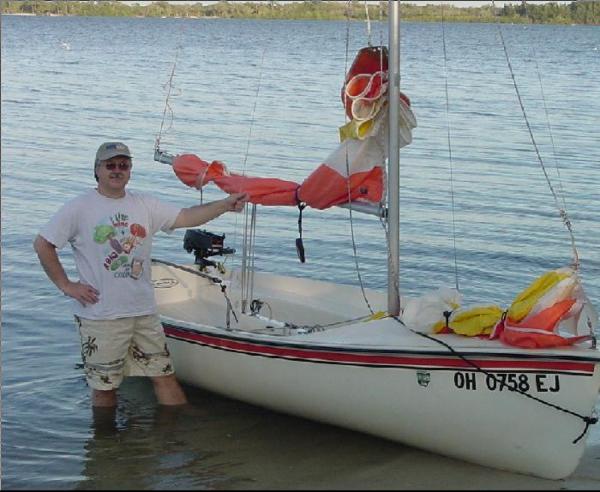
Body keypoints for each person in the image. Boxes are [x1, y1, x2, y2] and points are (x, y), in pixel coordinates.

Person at [33, 141, 248, 408]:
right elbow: (43, 244)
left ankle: (174, 443)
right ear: (97, 170)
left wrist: (225, 204)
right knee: (105, 388)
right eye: (110, 165)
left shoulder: (143, 204)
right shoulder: (79, 207)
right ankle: (106, 447)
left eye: (123, 165)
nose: (117, 170)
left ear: (130, 170)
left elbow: (186, 217)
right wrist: (66, 285)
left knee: (165, 376)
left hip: (143, 312)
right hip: (102, 316)